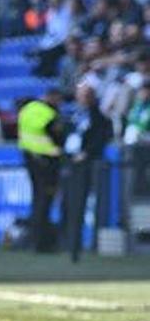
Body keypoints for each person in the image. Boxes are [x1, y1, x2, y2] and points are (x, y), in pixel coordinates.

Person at [62, 84, 113, 262]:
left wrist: (87, 154)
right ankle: (69, 245)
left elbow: (103, 136)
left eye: (86, 95)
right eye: (80, 95)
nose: (82, 98)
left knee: (84, 206)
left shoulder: (98, 117)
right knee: (69, 206)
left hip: (88, 166)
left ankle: (83, 247)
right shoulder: (74, 115)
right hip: (70, 164)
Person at [17, 88, 67, 253]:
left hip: (31, 160)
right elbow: (57, 134)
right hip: (46, 162)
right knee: (45, 202)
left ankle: (34, 240)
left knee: (37, 201)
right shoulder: (47, 113)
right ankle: (42, 243)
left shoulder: (27, 110)